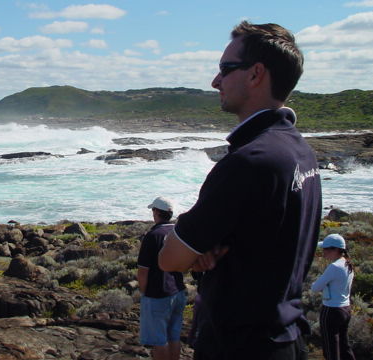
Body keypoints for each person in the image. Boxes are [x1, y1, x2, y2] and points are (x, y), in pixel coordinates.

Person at [159, 21, 322, 360]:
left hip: (241, 344)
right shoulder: (299, 151)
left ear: (255, 74)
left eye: (225, 69)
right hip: (287, 337)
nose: (215, 81)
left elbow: (170, 258)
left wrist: (196, 247)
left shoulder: (250, 161)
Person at [137, 196, 187, 360]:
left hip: (158, 294)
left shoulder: (153, 236)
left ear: (157, 212)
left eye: (153, 210)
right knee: (174, 337)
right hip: (178, 290)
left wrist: (145, 294)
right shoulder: (176, 232)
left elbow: (143, 271)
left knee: (159, 341)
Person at [311, 233, 356, 360]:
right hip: (345, 309)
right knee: (344, 345)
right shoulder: (348, 264)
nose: (323, 252)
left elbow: (315, 288)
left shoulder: (334, 267)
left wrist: (315, 283)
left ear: (335, 250)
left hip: (331, 311)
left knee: (331, 349)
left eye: (325, 249)